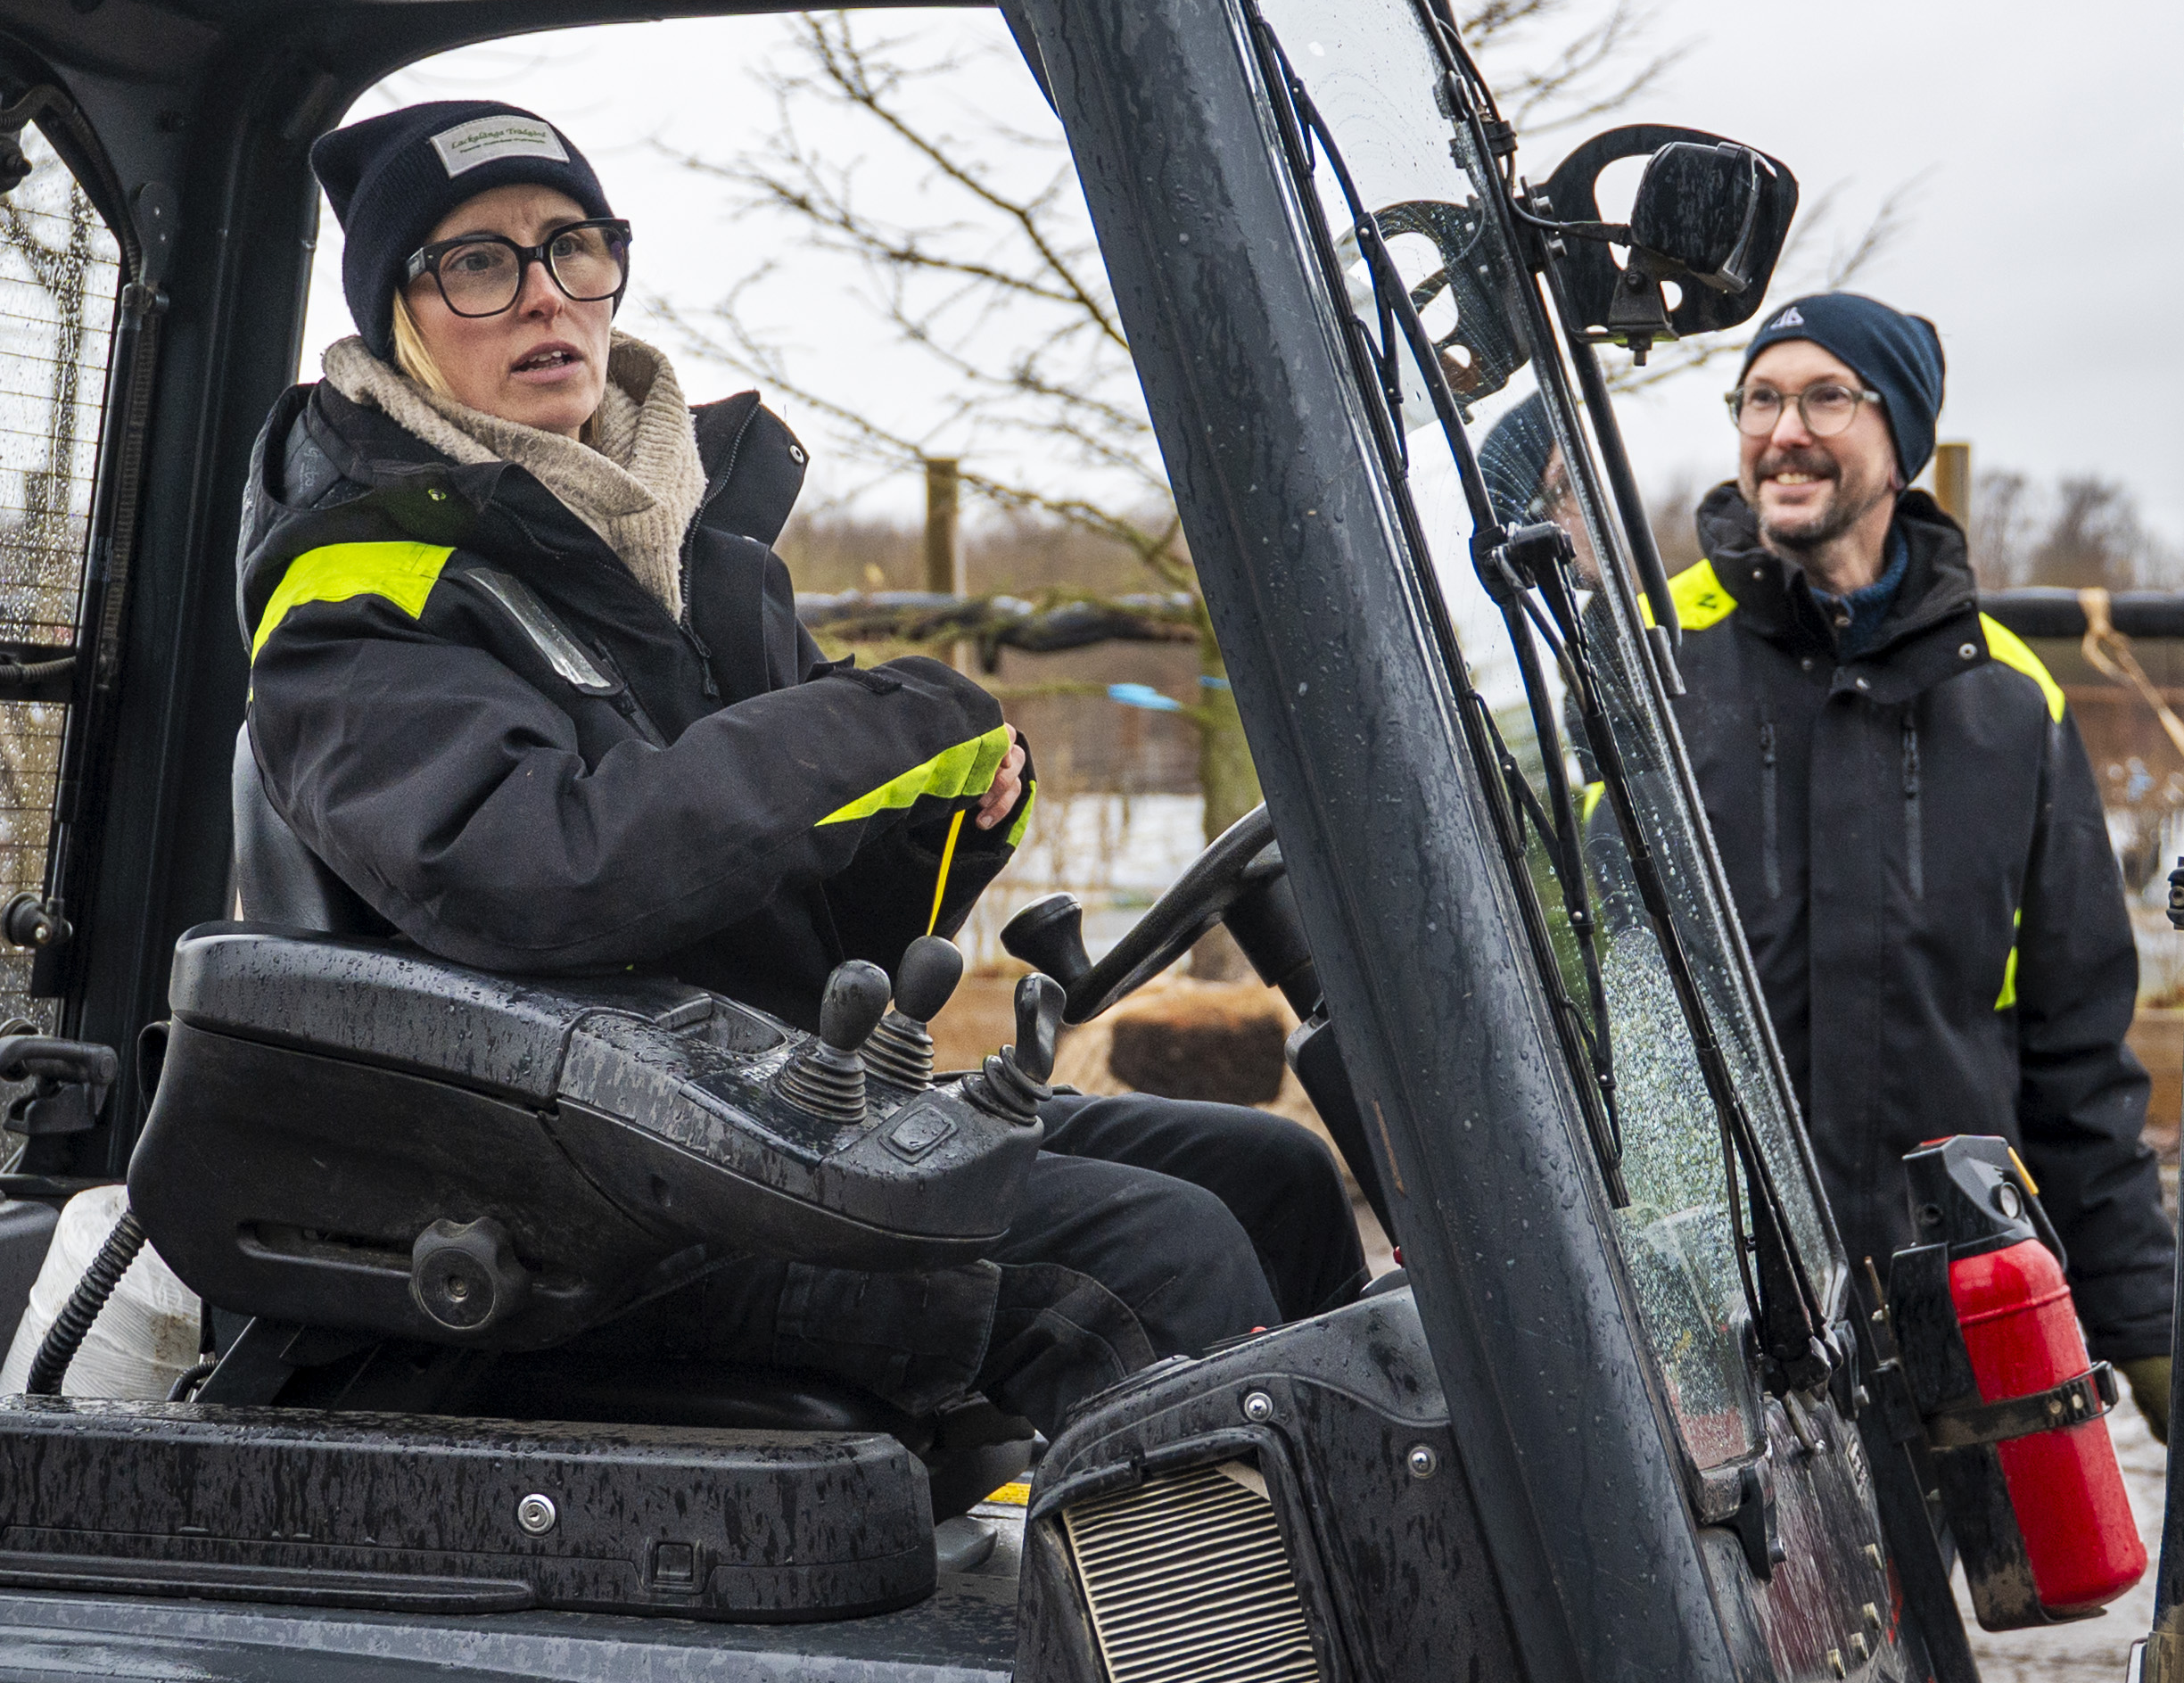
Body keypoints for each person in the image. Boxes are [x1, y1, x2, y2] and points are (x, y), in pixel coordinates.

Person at [238, 96, 1361, 1443]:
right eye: (476, 264)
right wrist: (874, 732)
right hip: (567, 1205)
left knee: (1273, 1174)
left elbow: (809, 936)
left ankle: (1355, 1589)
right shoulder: (358, 602)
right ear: (398, 322)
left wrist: (932, 821)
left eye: (571, 246)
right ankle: (1225, 1648)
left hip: (761, 1124)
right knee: (1155, 1254)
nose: (544, 296)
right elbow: (541, 875)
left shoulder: (692, 561)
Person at [1663, 293, 2179, 1431]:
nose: (1782, 430)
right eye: (1759, 398)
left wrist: (2148, 1333)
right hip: (1697, 1321)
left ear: (1898, 439)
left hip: (1935, 1326)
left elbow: (2076, 1058)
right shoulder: (1649, 667)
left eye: (1825, 397)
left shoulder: (2007, 705)